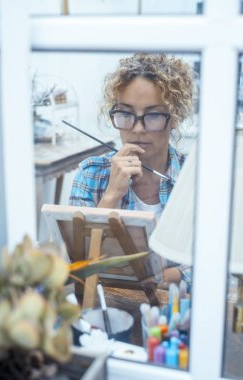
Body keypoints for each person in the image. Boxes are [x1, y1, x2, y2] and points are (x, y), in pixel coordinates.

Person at [69, 52, 194, 288]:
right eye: (126, 114)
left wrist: (163, 278)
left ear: (174, 117)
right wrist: (111, 196)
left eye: (153, 115)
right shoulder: (91, 174)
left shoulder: (194, 178)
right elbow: (78, 263)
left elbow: (213, 258)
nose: (137, 129)